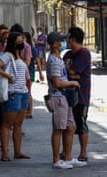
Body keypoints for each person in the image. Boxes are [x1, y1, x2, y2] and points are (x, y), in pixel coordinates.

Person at [46, 31, 87, 169]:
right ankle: (57, 159)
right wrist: (73, 83)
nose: (65, 42)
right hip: (58, 96)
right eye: (61, 41)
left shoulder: (58, 59)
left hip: (65, 97)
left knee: (71, 127)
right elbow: (57, 82)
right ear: (55, 44)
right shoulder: (53, 61)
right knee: (59, 129)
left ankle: (68, 157)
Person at [0, 32, 30, 162]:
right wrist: (7, 76)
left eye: (22, 41)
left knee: (18, 124)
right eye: (19, 41)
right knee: (7, 124)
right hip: (13, 93)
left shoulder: (18, 56)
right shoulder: (8, 55)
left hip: (23, 92)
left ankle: (18, 152)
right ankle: (5, 153)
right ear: (13, 43)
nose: (22, 43)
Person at [63, 27, 91, 162]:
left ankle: (83, 152)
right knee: (65, 125)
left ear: (72, 39)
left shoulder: (84, 53)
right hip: (66, 94)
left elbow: (73, 72)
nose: (67, 41)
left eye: (68, 38)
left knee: (80, 124)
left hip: (81, 95)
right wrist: (71, 73)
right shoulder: (67, 54)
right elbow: (66, 73)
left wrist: (70, 72)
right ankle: (65, 151)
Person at [23, 32, 44, 118]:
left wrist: (40, 73)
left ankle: (30, 111)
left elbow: (38, 61)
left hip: (30, 71)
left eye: (24, 37)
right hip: (22, 72)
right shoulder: (20, 48)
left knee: (28, 91)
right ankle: (25, 110)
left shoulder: (31, 48)